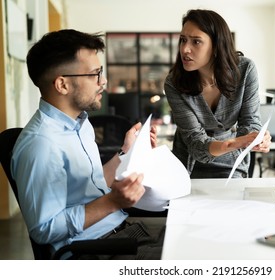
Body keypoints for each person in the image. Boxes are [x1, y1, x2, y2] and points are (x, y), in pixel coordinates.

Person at [11, 29, 163, 259]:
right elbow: (44, 229)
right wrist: (112, 202)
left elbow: (91, 183)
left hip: (122, 231)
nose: (103, 82)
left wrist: (126, 152)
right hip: (92, 250)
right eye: (95, 74)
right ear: (62, 84)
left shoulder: (80, 123)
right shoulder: (40, 145)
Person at [164, 9, 272, 178]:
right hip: (187, 165)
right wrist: (233, 143)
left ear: (216, 45)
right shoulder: (174, 83)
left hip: (232, 162)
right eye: (183, 40)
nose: (185, 49)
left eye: (196, 42)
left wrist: (256, 139)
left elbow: (250, 122)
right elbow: (195, 142)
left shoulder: (244, 70)